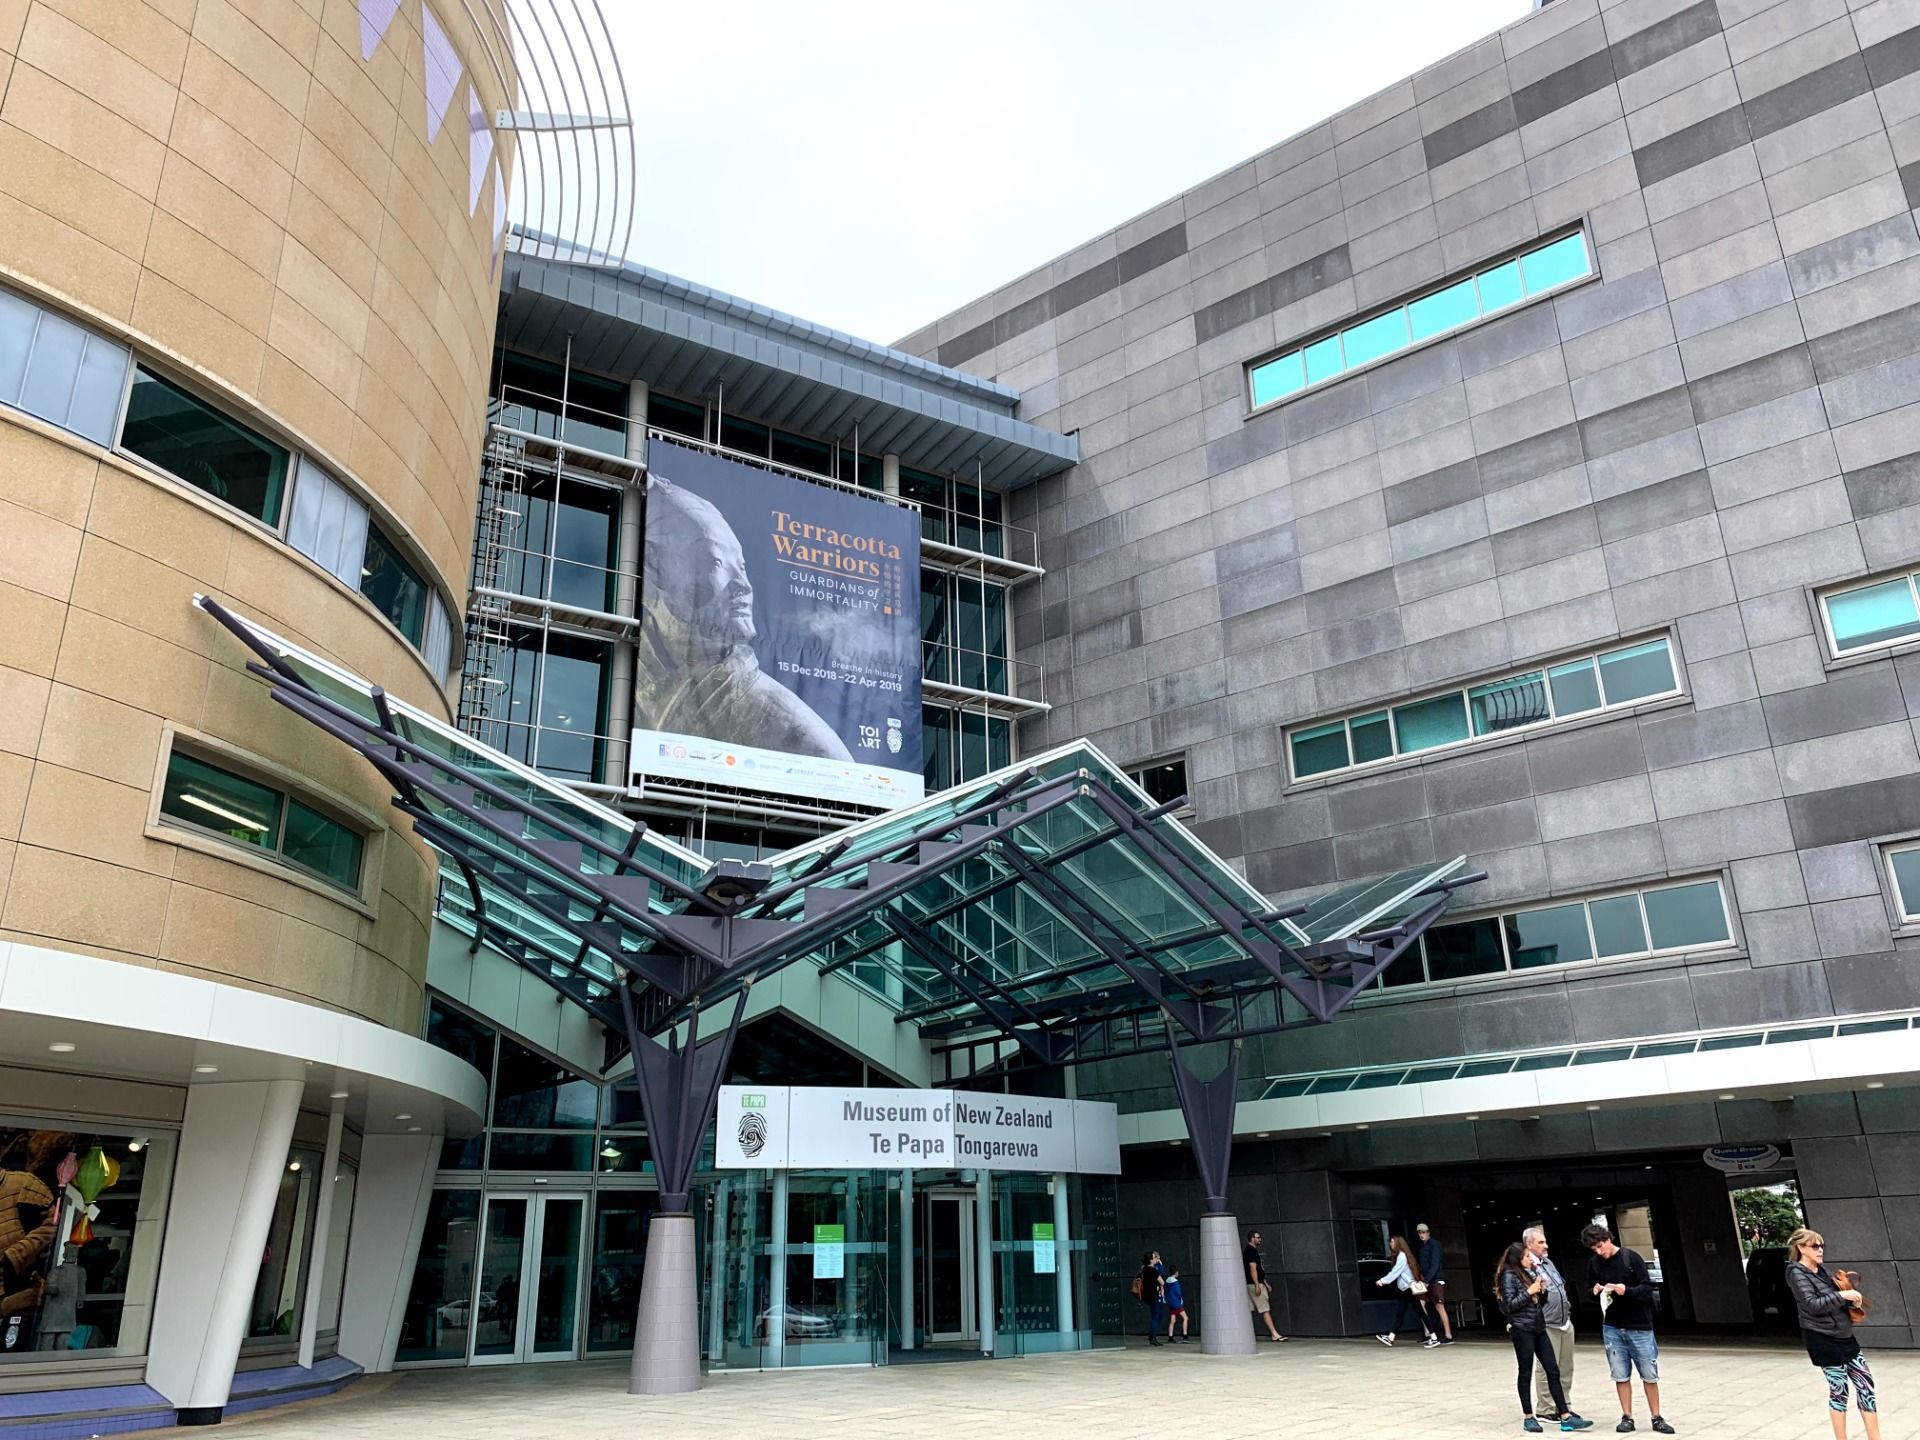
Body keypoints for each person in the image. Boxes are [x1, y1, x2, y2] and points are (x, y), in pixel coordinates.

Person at [635, 477, 854, 762]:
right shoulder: (634, 678)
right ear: (654, 562)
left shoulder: (802, 743)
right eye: (715, 562)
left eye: (742, 567)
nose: (743, 586)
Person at [1785, 1227, 1883, 1440]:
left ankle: (1875, 1438)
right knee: (1839, 1390)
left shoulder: (1822, 1271)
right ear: (1801, 1248)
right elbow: (1812, 1304)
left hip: (1845, 1337)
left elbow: (1836, 1298)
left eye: (1821, 1245)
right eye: (1814, 1246)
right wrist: (1843, 1295)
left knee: (1866, 1385)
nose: (1820, 1250)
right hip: (1822, 1339)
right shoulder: (1795, 1272)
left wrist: (1852, 1300)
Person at [1582, 1223, 1672, 1434]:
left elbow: (1647, 1289)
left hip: (1639, 1326)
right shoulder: (1594, 1263)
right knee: (1620, 1374)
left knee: (1649, 1374)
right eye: (1593, 1248)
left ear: (1608, 1239)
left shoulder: (1630, 1258)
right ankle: (1627, 1416)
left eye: (1600, 1245)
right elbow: (1589, 1290)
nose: (1598, 1251)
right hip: (1612, 1326)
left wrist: (1626, 1291)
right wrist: (1594, 1291)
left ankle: (1656, 1416)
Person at [1498, 1241, 1593, 1434]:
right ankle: (1529, 1417)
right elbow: (1509, 1306)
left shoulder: (1529, 1272)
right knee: (1525, 1372)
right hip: (1522, 1329)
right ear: (1517, 1259)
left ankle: (1565, 1416)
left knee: (1553, 1370)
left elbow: (1539, 1302)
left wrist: (1542, 1291)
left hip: (1539, 1327)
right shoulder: (1508, 1276)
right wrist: (1529, 1291)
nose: (1530, 1260)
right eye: (1526, 1256)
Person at [1525, 1225, 1578, 1423]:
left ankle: (1564, 1405)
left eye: (1545, 1241)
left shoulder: (1548, 1262)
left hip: (1564, 1321)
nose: (1546, 1246)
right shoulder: (1526, 1266)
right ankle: (1546, 1408)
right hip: (1546, 1323)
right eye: (1541, 1242)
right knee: (1547, 1367)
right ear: (1529, 1245)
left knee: (1566, 1366)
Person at [1374, 1234, 1436, 1347]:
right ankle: (1391, 1337)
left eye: (1392, 1242)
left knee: (1415, 1313)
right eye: (1390, 1242)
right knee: (1405, 1313)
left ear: (1398, 1243)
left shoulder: (1402, 1256)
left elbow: (1396, 1272)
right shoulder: (1403, 1255)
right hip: (1406, 1289)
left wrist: (1383, 1281)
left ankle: (1434, 1337)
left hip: (1407, 1289)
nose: (1391, 1244)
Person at [1243, 1231, 1288, 1342]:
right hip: (1254, 1284)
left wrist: (1265, 1283)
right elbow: (1253, 1268)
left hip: (1255, 1283)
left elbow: (1258, 1269)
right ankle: (1274, 1333)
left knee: (1252, 1309)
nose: (1260, 1239)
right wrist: (1257, 1285)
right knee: (1265, 1309)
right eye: (1258, 1238)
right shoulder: (1251, 1251)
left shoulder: (1251, 1251)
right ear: (1252, 1238)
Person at [1416, 1222, 1454, 1344]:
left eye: (1424, 1232)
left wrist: (1427, 1280)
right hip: (1426, 1280)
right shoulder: (1423, 1247)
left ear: (1428, 1233)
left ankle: (1448, 1335)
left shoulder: (1434, 1245)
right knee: (1420, 1304)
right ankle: (1429, 1333)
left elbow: (1435, 1264)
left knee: (1439, 1306)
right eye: (1420, 1233)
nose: (1422, 1235)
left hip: (1435, 1279)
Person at [1136, 1251, 1165, 1346]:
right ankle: (1153, 1337)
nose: (1156, 1259)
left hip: (1148, 1295)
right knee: (1156, 1316)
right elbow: (1162, 1282)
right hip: (1154, 1295)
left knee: (1155, 1315)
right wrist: (1160, 1266)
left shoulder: (1144, 1269)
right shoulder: (1152, 1270)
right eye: (1154, 1257)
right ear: (1150, 1260)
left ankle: (1152, 1335)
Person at [1164, 1263, 1189, 1344]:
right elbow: (1178, 1293)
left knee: (1172, 1320)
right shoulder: (1175, 1282)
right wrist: (1180, 1300)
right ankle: (1185, 1335)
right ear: (1176, 1272)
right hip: (1177, 1303)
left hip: (1171, 1303)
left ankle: (1170, 1337)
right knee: (1185, 1318)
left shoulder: (1166, 1281)